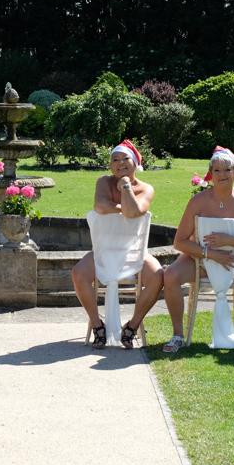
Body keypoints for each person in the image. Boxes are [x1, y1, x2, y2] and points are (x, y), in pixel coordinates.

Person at [162, 147, 234, 353]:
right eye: (217, 170)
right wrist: (210, 254)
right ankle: (178, 336)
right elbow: (179, 242)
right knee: (170, 275)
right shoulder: (197, 201)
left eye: (227, 169)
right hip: (198, 261)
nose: (222, 174)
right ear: (211, 174)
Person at [71, 140, 164, 349]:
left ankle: (131, 326)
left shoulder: (146, 188)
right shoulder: (103, 181)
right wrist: (124, 206)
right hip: (103, 252)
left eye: (125, 158)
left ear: (135, 163)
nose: (120, 162)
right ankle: (98, 326)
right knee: (78, 273)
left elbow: (133, 213)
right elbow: (100, 206)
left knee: (158, 277)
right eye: (115, 159)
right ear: (110, 165)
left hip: (134, 253)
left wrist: (124, 186)